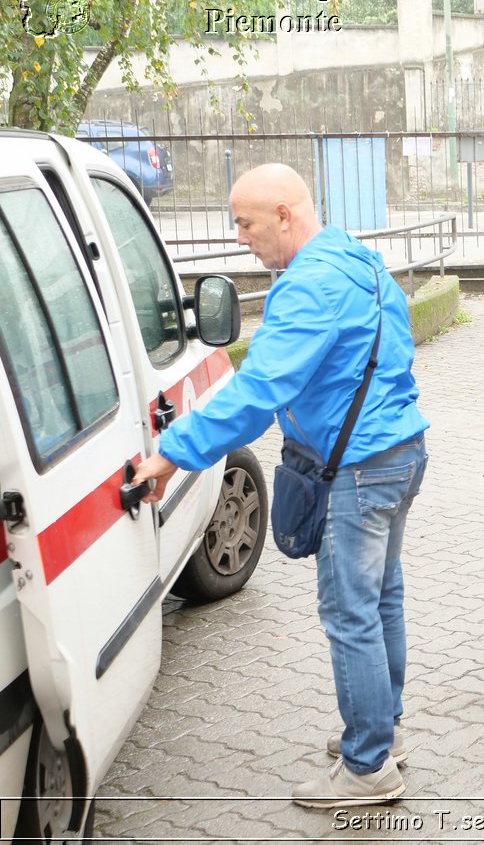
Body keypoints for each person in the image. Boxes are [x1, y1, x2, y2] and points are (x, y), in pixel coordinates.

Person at [131, 163, 430, 805]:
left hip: (359, 470)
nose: (241, 238)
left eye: (245, 222)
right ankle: (385, 733)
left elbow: (258, 390)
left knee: (350, 613)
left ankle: (368, 770)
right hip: (400, 454)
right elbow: (397, 358)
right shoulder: (361, 263)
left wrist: (173, 453)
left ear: (285, 216)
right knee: (381, 601)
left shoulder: (308, 287)